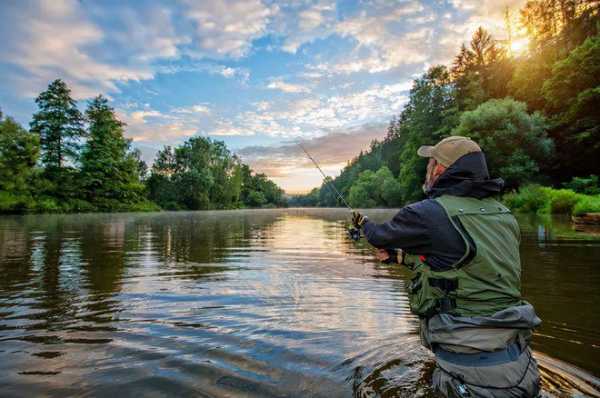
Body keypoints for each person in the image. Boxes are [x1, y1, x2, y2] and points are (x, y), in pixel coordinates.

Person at [351, 136, 541, 398]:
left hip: (472, 380)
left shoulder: (428, 213)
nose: (426, 170)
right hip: (522, 367)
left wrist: (364, 223)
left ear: (439, 169)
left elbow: (378, 236)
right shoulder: (503, 215)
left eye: (429, 163)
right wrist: (399, 258)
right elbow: (466, 265)